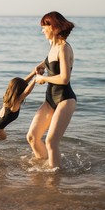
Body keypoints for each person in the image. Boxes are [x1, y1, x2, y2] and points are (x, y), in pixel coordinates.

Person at [27, 11, 77, 169]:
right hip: (50, 99)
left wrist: (44, 78)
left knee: (51, 142)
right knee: (33, 137)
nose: (42, 31)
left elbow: (64, 78)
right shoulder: (53, 46)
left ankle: (54, 178)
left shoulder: (64, 48)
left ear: (53, 27)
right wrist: (42, 65)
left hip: (65, 99)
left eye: (44, 27)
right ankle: (45, 166)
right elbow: (50, 59)